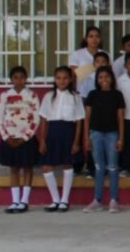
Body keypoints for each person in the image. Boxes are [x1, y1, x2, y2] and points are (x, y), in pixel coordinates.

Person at [39, 66, 85, 212]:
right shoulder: (48, 96)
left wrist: (76, 142)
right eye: (58, 78)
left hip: (68, 132)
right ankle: (55, 199)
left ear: (70, 79)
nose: (62, 81)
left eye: (65, 78)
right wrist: (42, 140)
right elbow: (44, 120)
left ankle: (65, 200)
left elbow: (79, 121)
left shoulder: (75, 97)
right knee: (46, 167)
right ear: (54, 79)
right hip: (52, 132)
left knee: (67, 164)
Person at [0, 66, 40, 214]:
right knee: (14, 169)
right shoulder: (4, 96)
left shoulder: (32, 95)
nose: (19, 80)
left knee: (27, 168)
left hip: (25, 139)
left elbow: (36, 119)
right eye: (15, 77)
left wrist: (26, 137)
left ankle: (24, 201)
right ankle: (14, 200)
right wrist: (6, 137)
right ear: (11, 79)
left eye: (22, 77)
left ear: (26, 79)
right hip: (10, 137)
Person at [82, 67, 126, 214]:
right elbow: (87, 117)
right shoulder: (92, 95)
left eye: (107, 77)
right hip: (96, 134)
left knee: (113, 167)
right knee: (99, 167)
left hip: (112, 134)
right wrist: (87, 137)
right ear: (97, 80)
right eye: (100, 77)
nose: (104, 80)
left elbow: (120, 118)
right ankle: (97, 200)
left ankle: (113, 200)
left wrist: (121, 137)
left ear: (112, 78)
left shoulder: (117, 95)